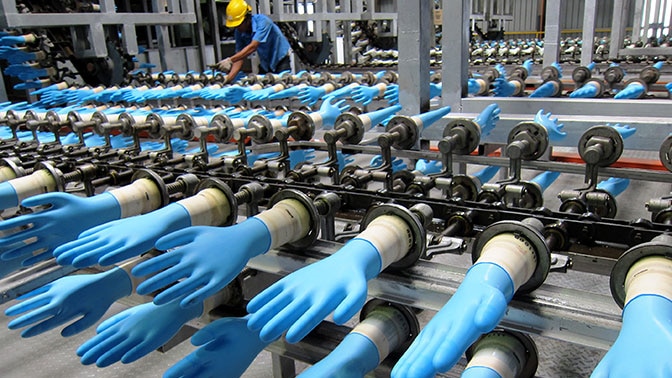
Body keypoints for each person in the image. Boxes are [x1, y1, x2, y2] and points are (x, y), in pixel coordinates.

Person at [216, 0, 291, 81]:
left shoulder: (263, 21)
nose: (237, 28)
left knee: (282, 84)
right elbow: (239, 57)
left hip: (280, 59)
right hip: (265, 62)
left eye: (239, 24)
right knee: (262, 85)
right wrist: (228, 79)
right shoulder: (239, 32)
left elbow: (253, 46)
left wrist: (229, 60)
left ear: (247, 18)